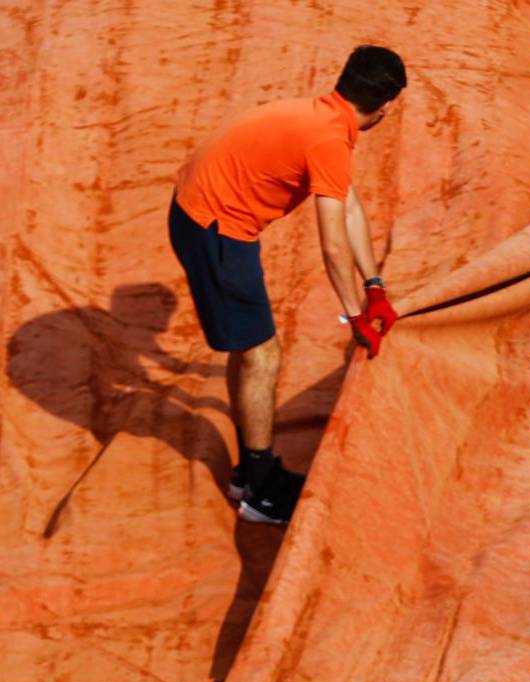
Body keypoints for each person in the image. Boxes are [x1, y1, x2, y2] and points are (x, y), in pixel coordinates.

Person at [167, 46, 406, 525]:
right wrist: (354, 315)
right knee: (262, 354)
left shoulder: (320, 119)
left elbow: (351, 208)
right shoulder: (329, 141)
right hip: (215, 231)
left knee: (251, 349)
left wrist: (374, 285)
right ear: (385, 108)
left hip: (200, 214)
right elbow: (332, 245)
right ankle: (258, 492)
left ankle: (248, 471)